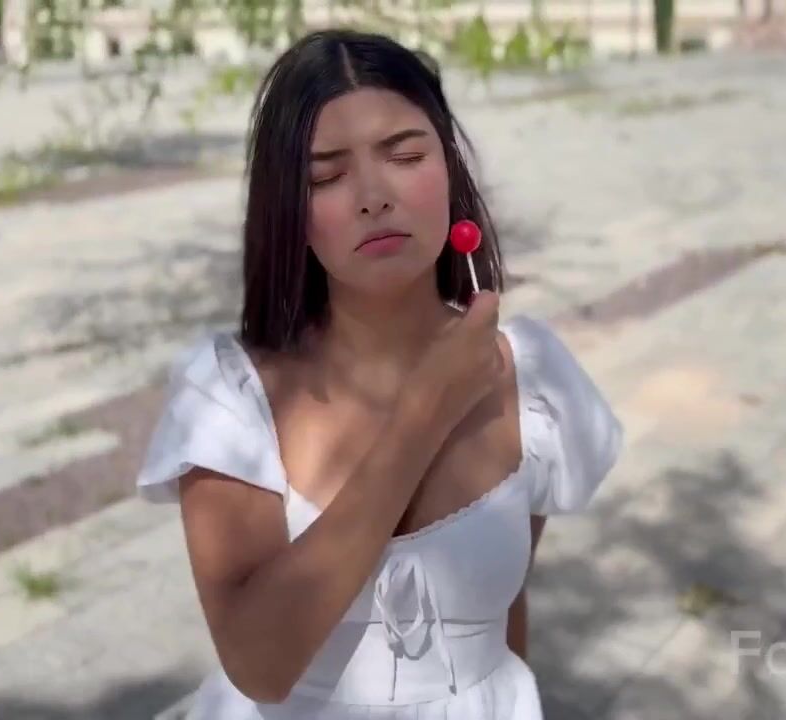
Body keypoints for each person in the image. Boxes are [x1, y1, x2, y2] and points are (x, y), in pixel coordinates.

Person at [135, 28, 623, 720]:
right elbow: (260, 666)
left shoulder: (530, 376)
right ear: (287, 209)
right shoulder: (230, 394)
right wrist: (424, 413)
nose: (372, 195)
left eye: (405, 155)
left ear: (449, 168)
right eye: (325, 176)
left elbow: (504, 612)